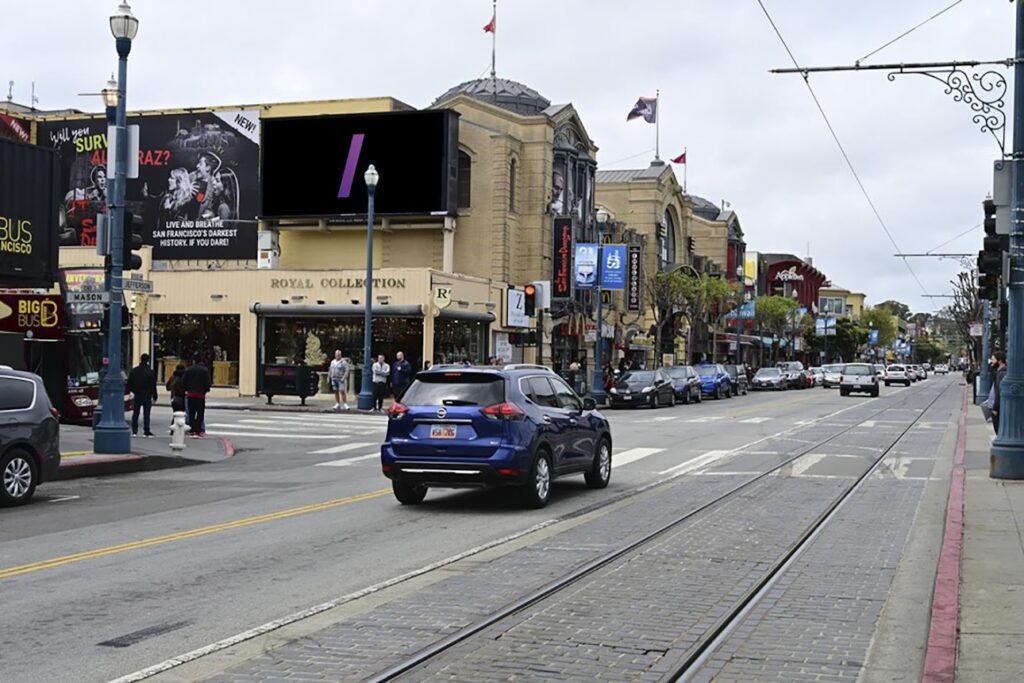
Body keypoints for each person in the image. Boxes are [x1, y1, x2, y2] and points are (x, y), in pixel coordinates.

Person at [127, 353, 158, 437]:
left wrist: (133, 391)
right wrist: (155, 396)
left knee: (136, 413)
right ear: (148, 360)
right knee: (146, 414)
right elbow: (153, 385)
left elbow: (129, 383)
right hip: (147, 394)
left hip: (137, 394)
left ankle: (134, 430)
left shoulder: (134, 370)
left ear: (141, 359)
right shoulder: (150, 372)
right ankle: (146, 430)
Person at [182, 355, 212, 437]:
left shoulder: (188, 370)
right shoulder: (205, 370)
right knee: (200, 413)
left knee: (191, 413)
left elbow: (184, 382)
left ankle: (192, 429)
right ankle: (198, 430)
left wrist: (187, 389)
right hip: (200, 395)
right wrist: (205, 390)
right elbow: (208, 383)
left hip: (191, 394)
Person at [166, 363, 186, 435]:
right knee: (182, 415)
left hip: (174, 398)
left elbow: (167, 387)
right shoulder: (184, 377)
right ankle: (180, 429)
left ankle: (173, 429)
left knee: (175, 414)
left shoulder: (173, 377)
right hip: (182, 397)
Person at [991, 352, 1007, 435]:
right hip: (1002, 405)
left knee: (998, 428)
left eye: (993, 359)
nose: (991, 362)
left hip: (1000, 406)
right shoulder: (1001, 372)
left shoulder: (1001, 374)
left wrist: (995, 408)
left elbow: (998, 392)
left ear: (1000, 361)